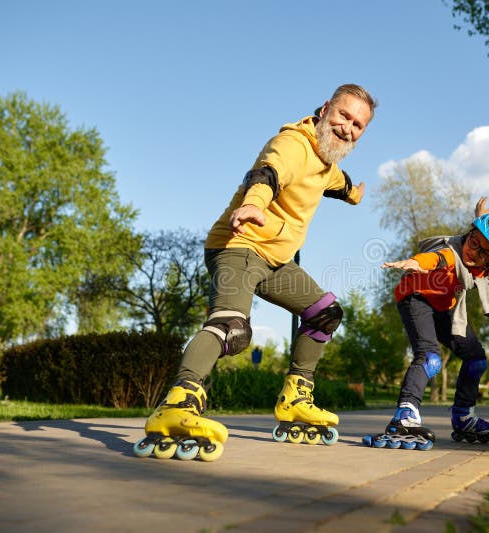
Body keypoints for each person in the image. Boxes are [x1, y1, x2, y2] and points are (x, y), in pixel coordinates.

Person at [134, 84, 377, 461]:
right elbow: (267, 174)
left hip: (276, 261)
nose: (348, 128)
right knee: (232, 326)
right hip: (239, 244)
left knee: (325, 313)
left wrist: (355, 193)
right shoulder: (293, 145)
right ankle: (179, 402)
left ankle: (296, 397)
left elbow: (337, 183)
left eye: (358, 125)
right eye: (344, 116)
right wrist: (253, 204)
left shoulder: (328, 162)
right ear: (326, 108)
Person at [363, 198, 489, 449]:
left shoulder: (485, 263)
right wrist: (415, 262)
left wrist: (479, 217)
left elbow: (487, 248)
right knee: (430, 357)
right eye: (473, 242)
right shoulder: (452, 253)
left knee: (476, 358)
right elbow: (436, 258)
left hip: (445, 308)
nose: (473, 252)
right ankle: (405, 415)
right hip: (416, 297)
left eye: (482, 252)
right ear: (468, 235)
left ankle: (463, 416)